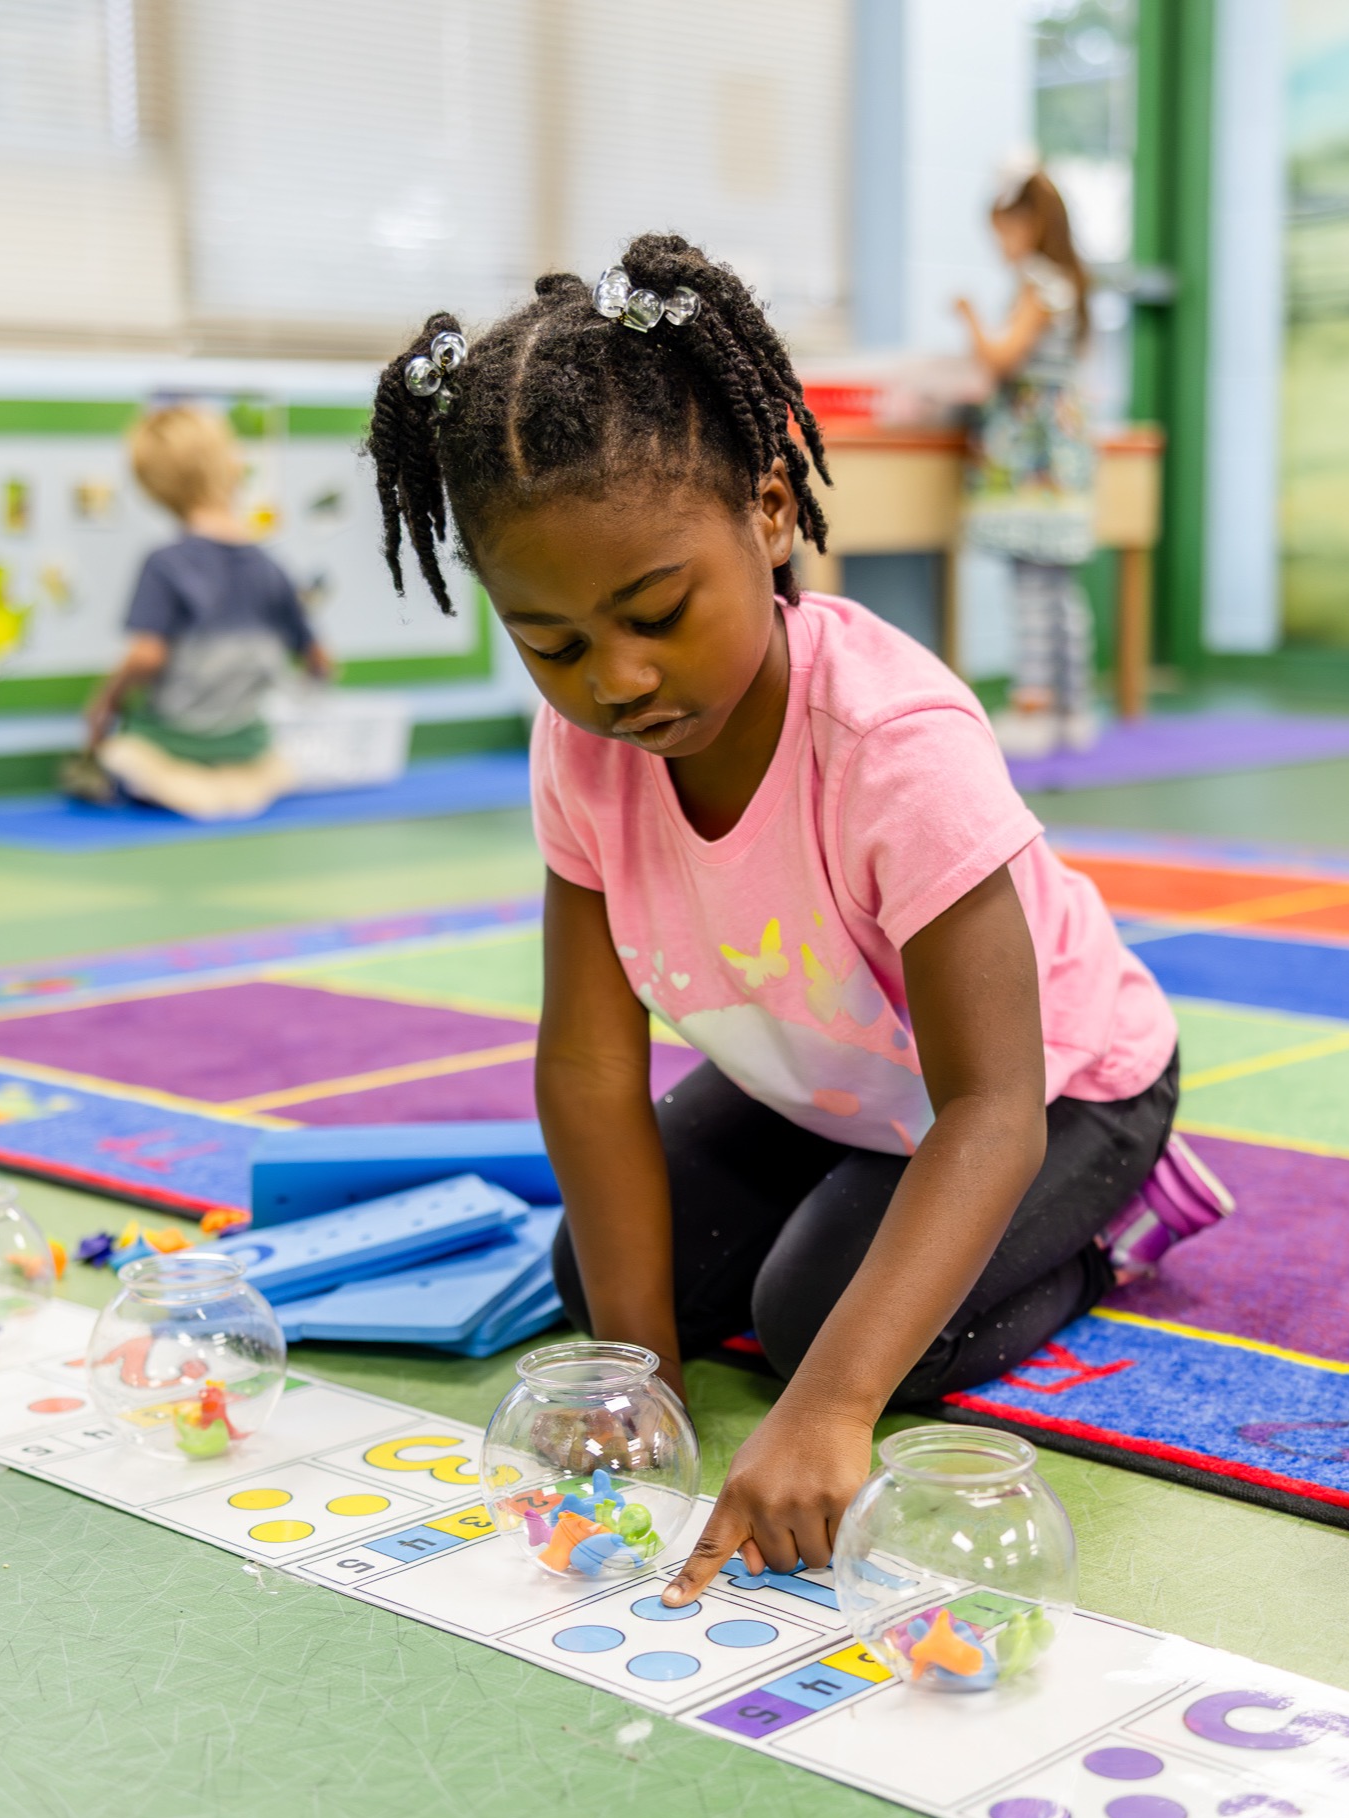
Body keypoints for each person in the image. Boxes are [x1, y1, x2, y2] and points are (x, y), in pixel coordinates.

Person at [364, 235, 1235, 1606]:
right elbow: (590, 1063)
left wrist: (830, 1406)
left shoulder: (891, 741)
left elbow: (991, 1104)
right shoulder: (578, 748)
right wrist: (640, 1388)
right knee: (600, 1290)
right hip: (825, 1075)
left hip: (1057, 1089)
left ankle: (1106, 1229)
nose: (619, 678)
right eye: (553, 643)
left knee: (811, 1319)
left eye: (655, 611)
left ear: (769, 511)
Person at [70, 402, 333, 820]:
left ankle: (180, 784)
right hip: (247, 744)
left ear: (154, 486)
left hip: (178, 744)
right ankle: (238, 782)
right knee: (267, 760)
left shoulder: (165, 564)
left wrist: (104, 704)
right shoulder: (271, 568)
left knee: (121, 751)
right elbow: (320, 662)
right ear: (228, 466)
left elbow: (146, 656)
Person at [954, 167, 1101, 757]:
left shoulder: (1038, 283)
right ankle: (1073, 705)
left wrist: (968, 317)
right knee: (1058, 586)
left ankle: (1034, 705)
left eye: (1003, 231)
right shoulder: (1067, 281)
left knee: (1033, 584)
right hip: (1059, 451)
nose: (1000, 246)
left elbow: (1004, 356)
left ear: (1028, 224)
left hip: (1035, 456)